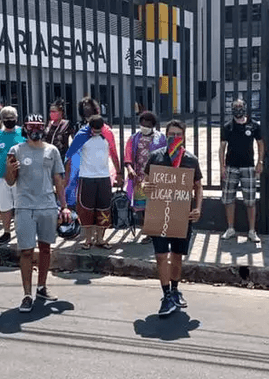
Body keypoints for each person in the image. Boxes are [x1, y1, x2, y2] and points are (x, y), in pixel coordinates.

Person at [5, 114, 72, 313]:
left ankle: (41, 287)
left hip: (48, 206)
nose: (35, 129)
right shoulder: (15, 150)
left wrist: (64, 205)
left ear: (44, 128)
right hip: (25, 207)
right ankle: (27, 294)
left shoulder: (52, 151)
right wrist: (9, 170)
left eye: (39, 126)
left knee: (45, 249)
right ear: (25, 128)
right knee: (26, 251)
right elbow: (10, 181)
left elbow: (58, 180)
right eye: (31, 126)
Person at [142, 119, 203, 316]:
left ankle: (175, 291)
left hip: (182, 215)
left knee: (177, 256)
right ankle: (166, 295)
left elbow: (198, 186)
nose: (174, 138)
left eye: (178, 135)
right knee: (161, 256)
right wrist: (144, 187)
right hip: (159, 213)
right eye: (171, 134)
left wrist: (198, 208)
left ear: (184, 137)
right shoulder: (155, 157)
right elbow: (144, 181)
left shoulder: (191, 160)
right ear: (165, 135)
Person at [64, 98, 123, 249]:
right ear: (89, 127)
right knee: (86, 210)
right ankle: (88, 240)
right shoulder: (81, 135)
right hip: (86, 178)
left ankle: (101, 239)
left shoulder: (107, 134)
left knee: (103, 209)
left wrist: (119, 172)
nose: (96, 133)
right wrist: (67, 177)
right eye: (94, 130)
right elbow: (70, 157)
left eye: (99, 130)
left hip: (103, 178)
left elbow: (114, 154)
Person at [219, 99, 264, 242]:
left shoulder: (254, 125)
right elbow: (222, 148)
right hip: (231, 167)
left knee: (250, 200)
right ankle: (230, 228)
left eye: (240, 106)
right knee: (228, 199)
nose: (238, 109)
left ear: (245, 108)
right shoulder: (227, 127)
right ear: (231, 109)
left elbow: (260, 144)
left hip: (248, 167)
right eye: (235, 107)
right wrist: (222, 166)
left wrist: (260, 162)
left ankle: (252, 231)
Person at [124, 111, 167, 243]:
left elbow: (166, 155)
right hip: (139, 177)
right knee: (142, 207)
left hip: (156, 177)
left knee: (155, 205)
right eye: (142, 124)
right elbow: (128, 157)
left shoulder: (160, 138)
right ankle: (148, 232)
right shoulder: (133, 138)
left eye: (147, 124)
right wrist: (130, 169)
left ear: (153, 125)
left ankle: (158, 230)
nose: (144, 126)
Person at [0, 106, 25, 244]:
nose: (9, 121)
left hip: (20, 177)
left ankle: (22, 232)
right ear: (2, 120)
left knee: (21, 206)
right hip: (1, 177)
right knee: (5, 206)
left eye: (12, 118)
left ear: (16, 118)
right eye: (6, 119)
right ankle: (6, 232)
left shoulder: (23, 133)